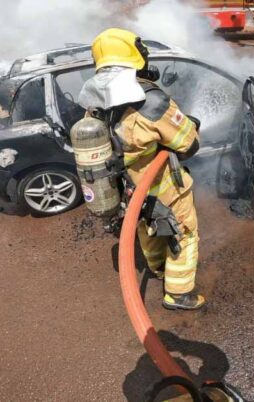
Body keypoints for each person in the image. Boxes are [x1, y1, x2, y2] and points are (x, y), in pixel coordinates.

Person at [78, 28, 205, 310]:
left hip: (128, 189)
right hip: (164, 186)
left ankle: (159, 270)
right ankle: (179, 293)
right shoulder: (151, 102)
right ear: (137, 55)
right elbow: (189, 145)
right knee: (183, 233)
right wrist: (188, 124)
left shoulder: (94, 103)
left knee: (147, 229)